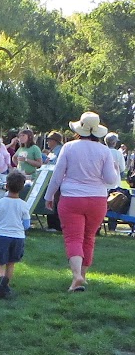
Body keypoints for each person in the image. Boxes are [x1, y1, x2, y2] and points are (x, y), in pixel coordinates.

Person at [44, 112, 120, 293]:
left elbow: (57, 175)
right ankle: (83, 276)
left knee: (73, 238)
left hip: (71, 198)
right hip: (97, 200)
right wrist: (116, 170)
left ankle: (76, 275)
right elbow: (111, 180)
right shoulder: (104, 151)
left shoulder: (69, 147)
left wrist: (49, 196)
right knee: (89, 237)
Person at [0, 171, 30, 299]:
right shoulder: (24, 205)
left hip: (3, 235)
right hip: (18, 237)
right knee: (11, 262)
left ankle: (2, 279)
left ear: (6, 185)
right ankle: (6, 286)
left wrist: (0, 224)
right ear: (22, 188)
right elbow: (27, 224)